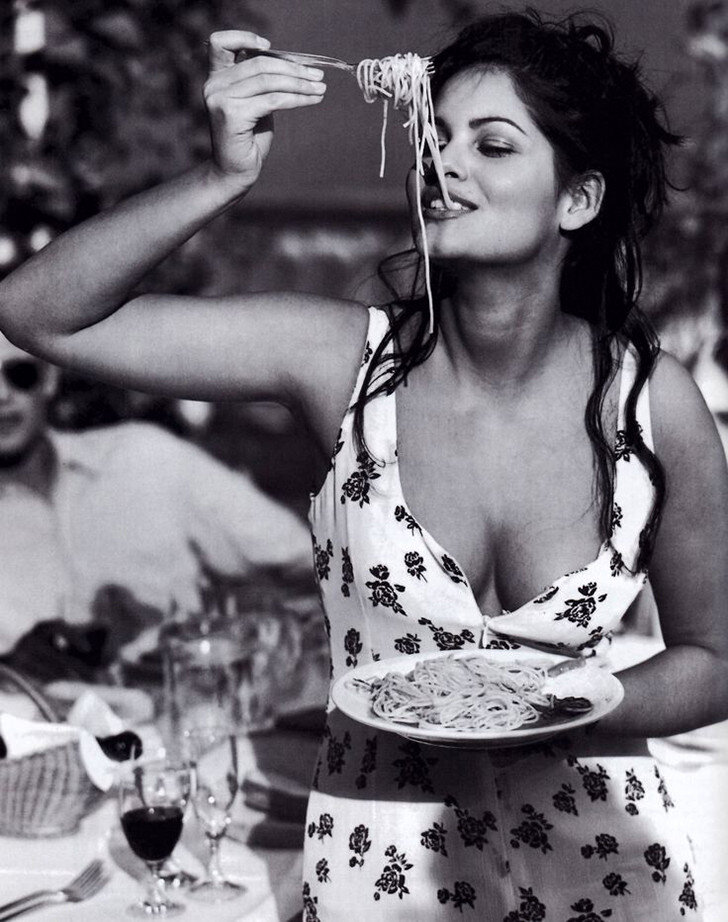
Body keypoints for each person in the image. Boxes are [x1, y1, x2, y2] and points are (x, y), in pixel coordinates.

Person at [0, 8, 726, 918]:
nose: (443, 163)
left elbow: (714, 659)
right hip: (381, 865)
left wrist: (565, 704)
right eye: (435, 137)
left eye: (492, 145)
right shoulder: (341, 361)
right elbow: (37, 315)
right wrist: (223, 175)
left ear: (576, 201)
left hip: (602, 865)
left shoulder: (652, 403)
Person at [0, 332, 315, 658]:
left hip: (194, 681)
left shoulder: (144, 457)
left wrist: (248, 624)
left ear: (49, 379)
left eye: (19, 374)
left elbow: (307, 560)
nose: (2, 395)